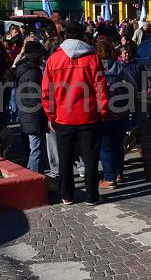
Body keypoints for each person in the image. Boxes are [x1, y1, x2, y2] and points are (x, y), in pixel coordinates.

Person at [41, 22, 109, 206]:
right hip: (89, 116)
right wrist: (102, 111)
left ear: (64, 37)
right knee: (90, 158)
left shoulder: (54, 60)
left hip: (64, 117)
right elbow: (101, 88)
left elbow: (47, 92)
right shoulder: (93, 59)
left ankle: (67, 195)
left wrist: (51, 115)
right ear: (83, 37)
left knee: (65, 158)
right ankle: (92, 195)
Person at [98, 38, 136, 188]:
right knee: (118, 145)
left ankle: (109, 178)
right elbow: (132, 85)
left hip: (103, 113)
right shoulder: (119, 67)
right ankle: (119, 174)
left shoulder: (95, 68)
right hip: (121, 112)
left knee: (105, 147)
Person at [14, 41, 49, 174]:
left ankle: (31, 175)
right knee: (37, 149)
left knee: (34, 148)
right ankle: (35, 179)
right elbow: (34, 97)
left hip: (26, 113)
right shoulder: (33, 72)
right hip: (33, 114)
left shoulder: (23, 68)